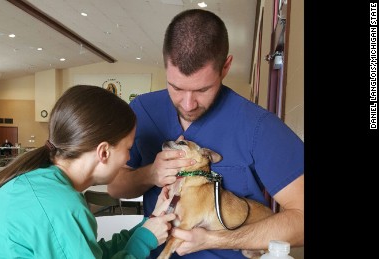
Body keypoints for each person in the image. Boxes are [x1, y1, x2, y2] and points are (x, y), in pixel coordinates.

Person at [107, 9, 304, 259]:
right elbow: (115, 187)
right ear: (165, 64)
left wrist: (216, 239)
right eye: (176, 87)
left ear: (226, 67)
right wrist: (150, 174)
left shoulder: (259, 126)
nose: (188, 104)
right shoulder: (142, 110)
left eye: (202, 89)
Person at [0, 85, 176, 259]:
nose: (129, 158)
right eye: (128, 148)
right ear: (104, 152)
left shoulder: (36, 182)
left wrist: (149, 225)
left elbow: (87, 252)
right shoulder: (62, 207)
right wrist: (144, 241)